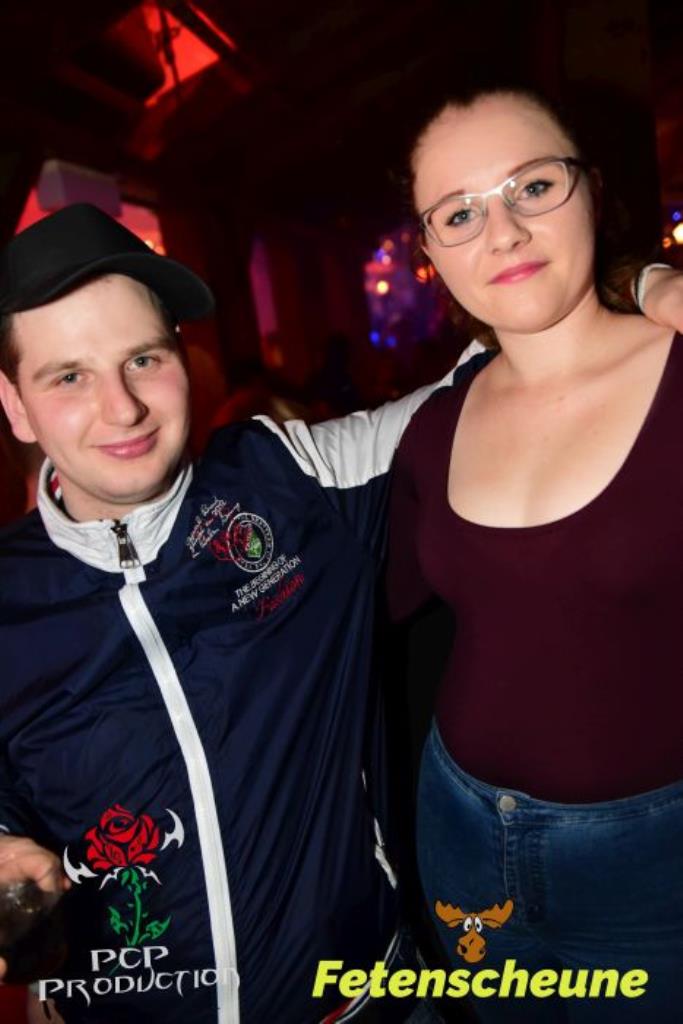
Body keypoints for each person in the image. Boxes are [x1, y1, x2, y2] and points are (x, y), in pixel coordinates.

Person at [0, 203, 679, 1024]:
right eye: (68, 377)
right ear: (15, 405)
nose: (122, 408)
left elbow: (511, 349)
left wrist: (642, 282)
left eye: (142, 358)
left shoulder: (295, 480)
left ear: (182, 355)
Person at [388, 85, 683, 1023]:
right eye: (459, 213)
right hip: (458, 834)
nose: (503, 232)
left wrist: (652, 280)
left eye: (534, 186)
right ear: (430, 253)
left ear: (591, 189)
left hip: (652, 869)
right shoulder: (431, 426)